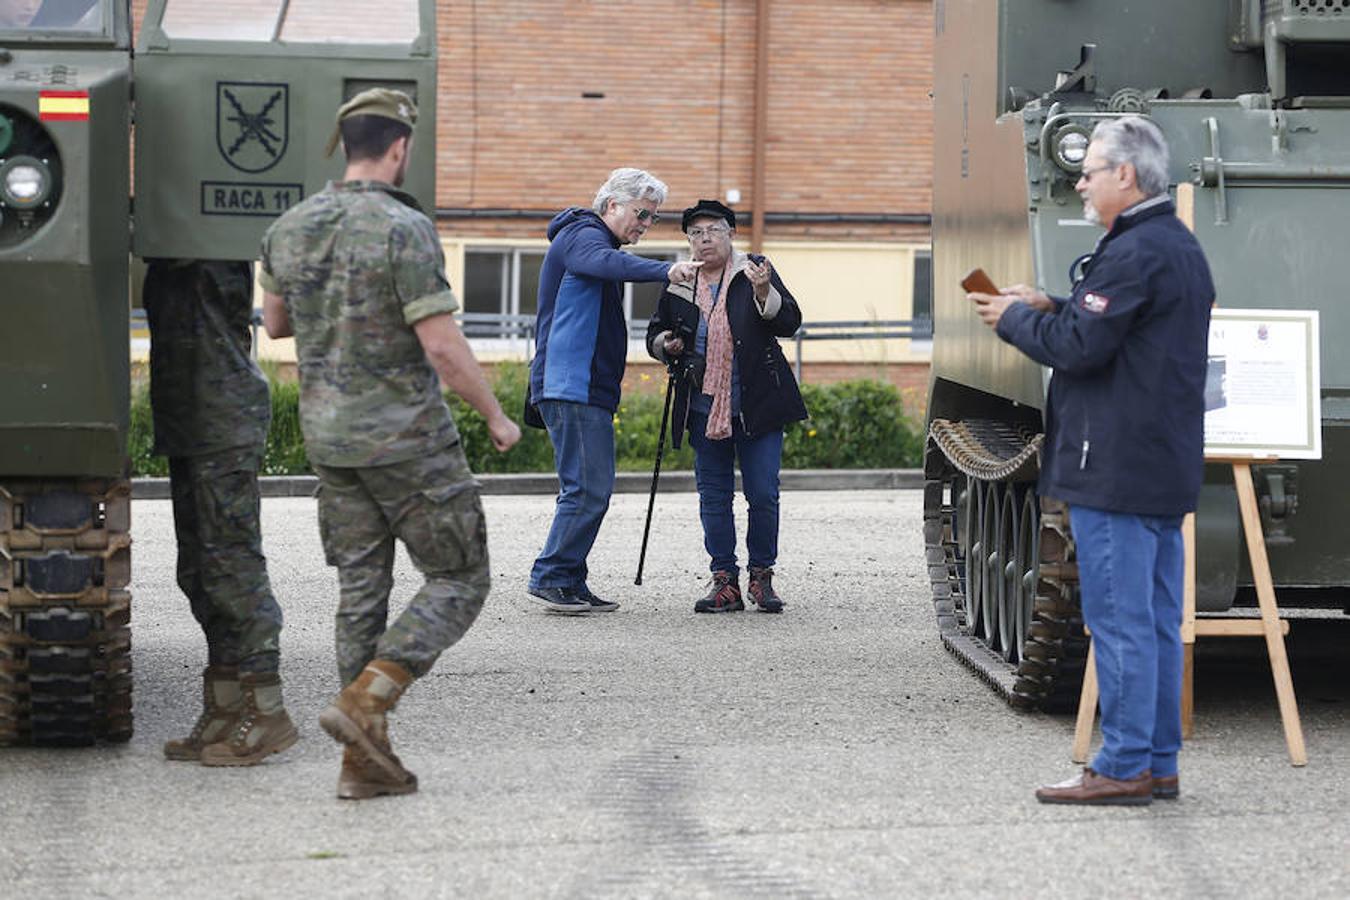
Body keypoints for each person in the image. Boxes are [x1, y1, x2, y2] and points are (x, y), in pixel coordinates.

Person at [260, 88, 521, 800]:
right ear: (399, 147)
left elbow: (276, 322)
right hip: (407, 441)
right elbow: (441, 346)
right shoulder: (404, 230)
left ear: (347, 147)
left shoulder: (291, 226)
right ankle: (369, 696)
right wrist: (497, 416)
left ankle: (363, 766)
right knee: (461, 577)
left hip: (330, 442)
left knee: (359, 596)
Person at [968, 116, 1213, 805]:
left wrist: (1014, 319)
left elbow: (1079, 350)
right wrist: (1053, 302)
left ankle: (1125, 764)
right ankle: (1156, 761)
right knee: (1157, 622)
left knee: (1120, 621)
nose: (1080, 181)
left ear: (1126, 177)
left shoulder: (1133, 251)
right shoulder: (1172, 244)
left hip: (1116, 467)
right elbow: (1114, 327)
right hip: (1158, 466)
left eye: (1091, 170)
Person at [525, 168, 702, 615]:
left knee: (587, 487)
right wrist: (667, 270)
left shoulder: (593, 240)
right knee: (588, 488)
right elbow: (603, 264)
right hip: (571, 386)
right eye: (641, 214)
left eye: (652, 218)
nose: (645, 224)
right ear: (611, 206)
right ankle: (552, 576)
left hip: (582, 387)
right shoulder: (582, 235)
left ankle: (569, 578)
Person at [143, 258, 296, 768]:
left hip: (223, 420)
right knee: (199, 571)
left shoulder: (200, 235)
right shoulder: (171, 244)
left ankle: (267, 709)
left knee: (233, 567)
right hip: (189, 418)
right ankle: (226, 708)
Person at [646, 199, 807, 613]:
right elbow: (655, 334)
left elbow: (789, 322)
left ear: (730, 234)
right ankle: (724, 581)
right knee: (713, 496)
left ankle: (761, 577)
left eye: (713, 231)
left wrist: (763, 291)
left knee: (763, 494)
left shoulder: (753, 269)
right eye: (696, 233)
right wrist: (668, 345)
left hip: (757, 403)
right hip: (702, 406)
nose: (704, 240)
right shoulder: (680, 281)